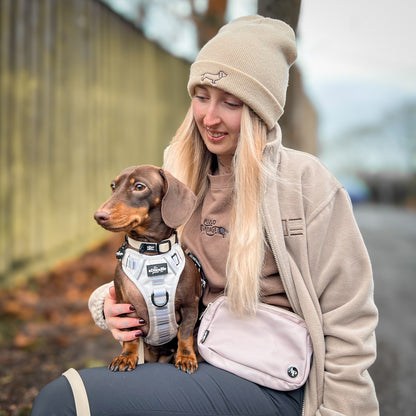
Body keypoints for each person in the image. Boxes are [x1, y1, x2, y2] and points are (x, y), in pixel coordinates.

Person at [31, 15, 379, 416]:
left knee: (63, 403)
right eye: (201, 96)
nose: (209, 118)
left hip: (269, 380)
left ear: (260, 111)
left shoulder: (306, 184)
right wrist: (107, 307)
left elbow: (349, 321)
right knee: (65, 395)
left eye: (230, 102)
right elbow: (151, 267)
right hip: (192, 361)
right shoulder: (179, 174)